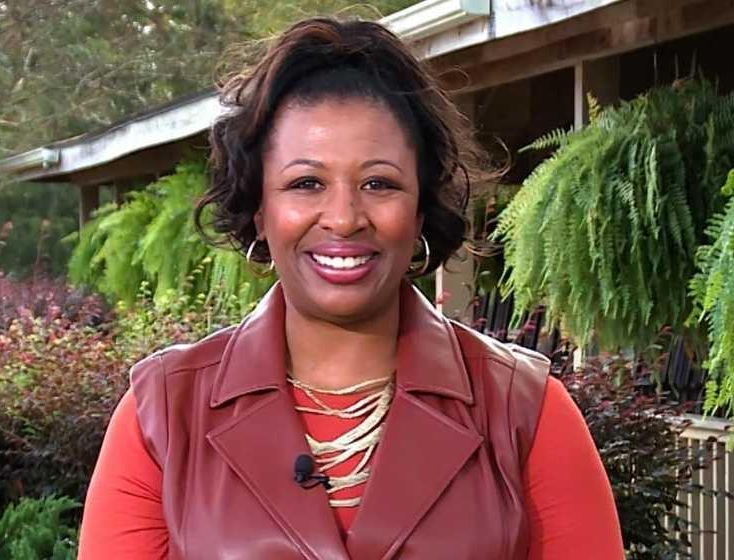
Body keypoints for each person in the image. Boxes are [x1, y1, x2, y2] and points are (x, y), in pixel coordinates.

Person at [78, 17, 623, 559]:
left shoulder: (524, 411)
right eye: (306, 183)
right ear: (260, 209)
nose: (343, 218)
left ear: (420, 208)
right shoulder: (163, 415)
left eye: (378, 183)